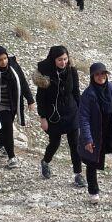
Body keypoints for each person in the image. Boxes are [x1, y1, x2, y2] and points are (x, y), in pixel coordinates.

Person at [78, 62, 112, 202]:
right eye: (97, 74)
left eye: (103, 73)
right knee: (92, 161)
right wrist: (88, 139)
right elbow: (83, 119)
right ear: (92, 76)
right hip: (96, 133)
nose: (101, 76)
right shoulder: (88, 94)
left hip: (111, 131)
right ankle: (93, 192)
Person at [35, 46, 85, 187]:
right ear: (53, 60)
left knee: (75, 145)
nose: (63, 62)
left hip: (71, 112)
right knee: (54, 143)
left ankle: (78, 174)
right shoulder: (45, 74)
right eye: (60, 60)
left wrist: (81, 112)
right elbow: (41, 98)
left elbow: (76, 92)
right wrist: (43, 117)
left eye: (65, 59)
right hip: (53, 115)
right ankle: (45, 162)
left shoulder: (71, 71)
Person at [0, 45, 34, 169]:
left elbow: (23, 82)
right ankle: (11, 157)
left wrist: (30, 100)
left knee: (4, 128)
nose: (3, 62)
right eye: (0, 60)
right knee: (8, 128)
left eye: (5, 58)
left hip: (13, 104)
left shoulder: (13, 66)